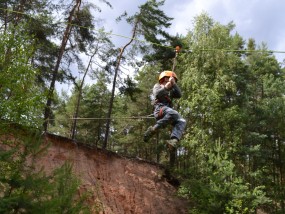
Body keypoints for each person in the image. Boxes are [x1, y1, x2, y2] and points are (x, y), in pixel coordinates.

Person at [143, 71, 186, 149]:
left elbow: (179, 95)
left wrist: (174, 84)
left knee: (182, 121)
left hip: (168, 113)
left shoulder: (172, 91)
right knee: (174, 113)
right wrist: (166, 87)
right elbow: (157, 94)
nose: (169, 81)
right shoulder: (157, 86)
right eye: (168, 79)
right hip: (159, 109)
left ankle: (173, 141)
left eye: (173, 80)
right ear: (163, 79)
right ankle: (153, 129)